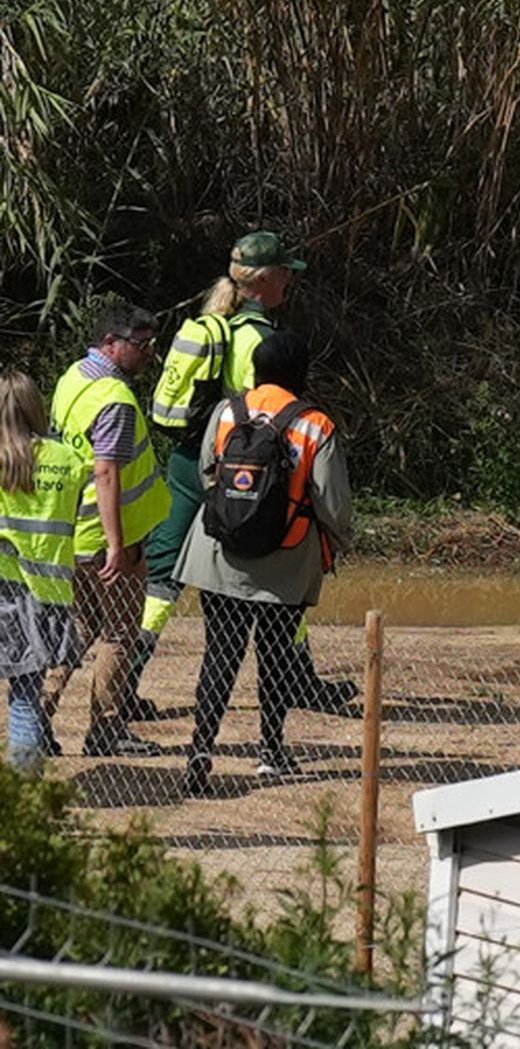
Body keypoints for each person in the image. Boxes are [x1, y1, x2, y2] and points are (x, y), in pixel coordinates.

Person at [139, 230, 354, 717]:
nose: (289, 285)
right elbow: (262, 414)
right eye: (285, 275)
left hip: (185, 462)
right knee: (284, 565)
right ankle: (295, 684)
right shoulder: (259, 337)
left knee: (163, 573)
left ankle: (128, 676)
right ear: (266, 280)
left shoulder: (212, 323)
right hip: (241, 470)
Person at [179, 331, 352, 795]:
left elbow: (205, 474)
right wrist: (338, 541)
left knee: (220, 654)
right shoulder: (315, 425)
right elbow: (332, 503)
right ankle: (270, 752)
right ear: (302, 372)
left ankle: (200, 749)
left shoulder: (225, 412)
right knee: (275, 656)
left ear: (255, 368)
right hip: (286, 560)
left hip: (220, 553)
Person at [44, 302, 172, 757]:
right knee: (120, 634)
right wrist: (118, 547)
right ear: (111, 343)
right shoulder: (115, 400)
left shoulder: (73, 378)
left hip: (73, 531)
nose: (149, 354)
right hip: (108, 539)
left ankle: (38, 715)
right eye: (141, 345)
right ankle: (106, 731)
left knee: (78, 629)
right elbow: (107, 474)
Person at [0, 373, 86, 771]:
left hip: (5, 588)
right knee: (26, 697)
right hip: (46, 593)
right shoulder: (67, 458)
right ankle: (24, 794)